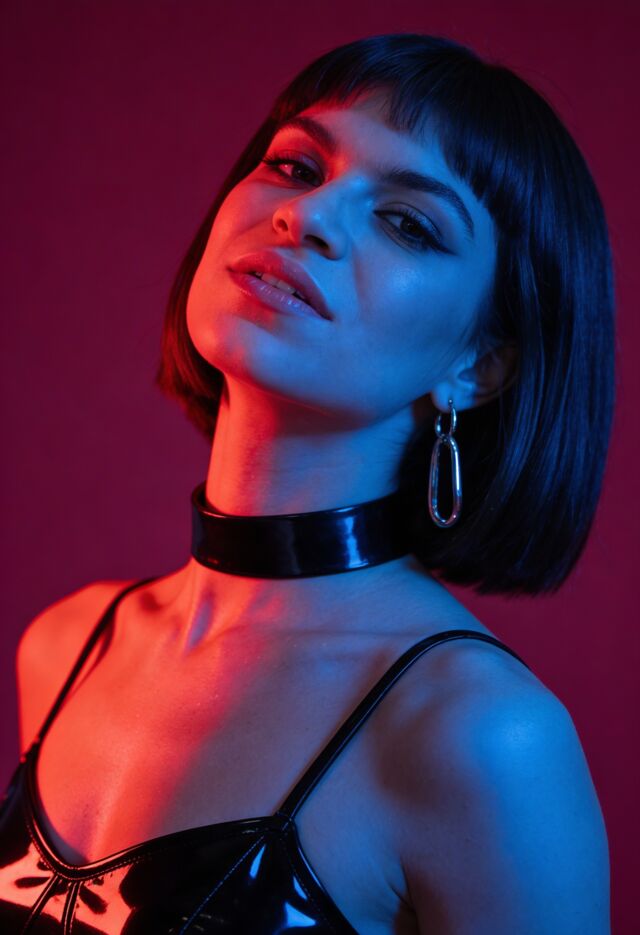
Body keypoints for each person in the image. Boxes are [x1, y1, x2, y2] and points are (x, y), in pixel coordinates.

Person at [0, 32, 614, 935]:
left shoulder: (481, 734)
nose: (309, 215)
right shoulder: (67, 646)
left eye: (408, 223)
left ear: (479, 365)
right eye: (294, 166)